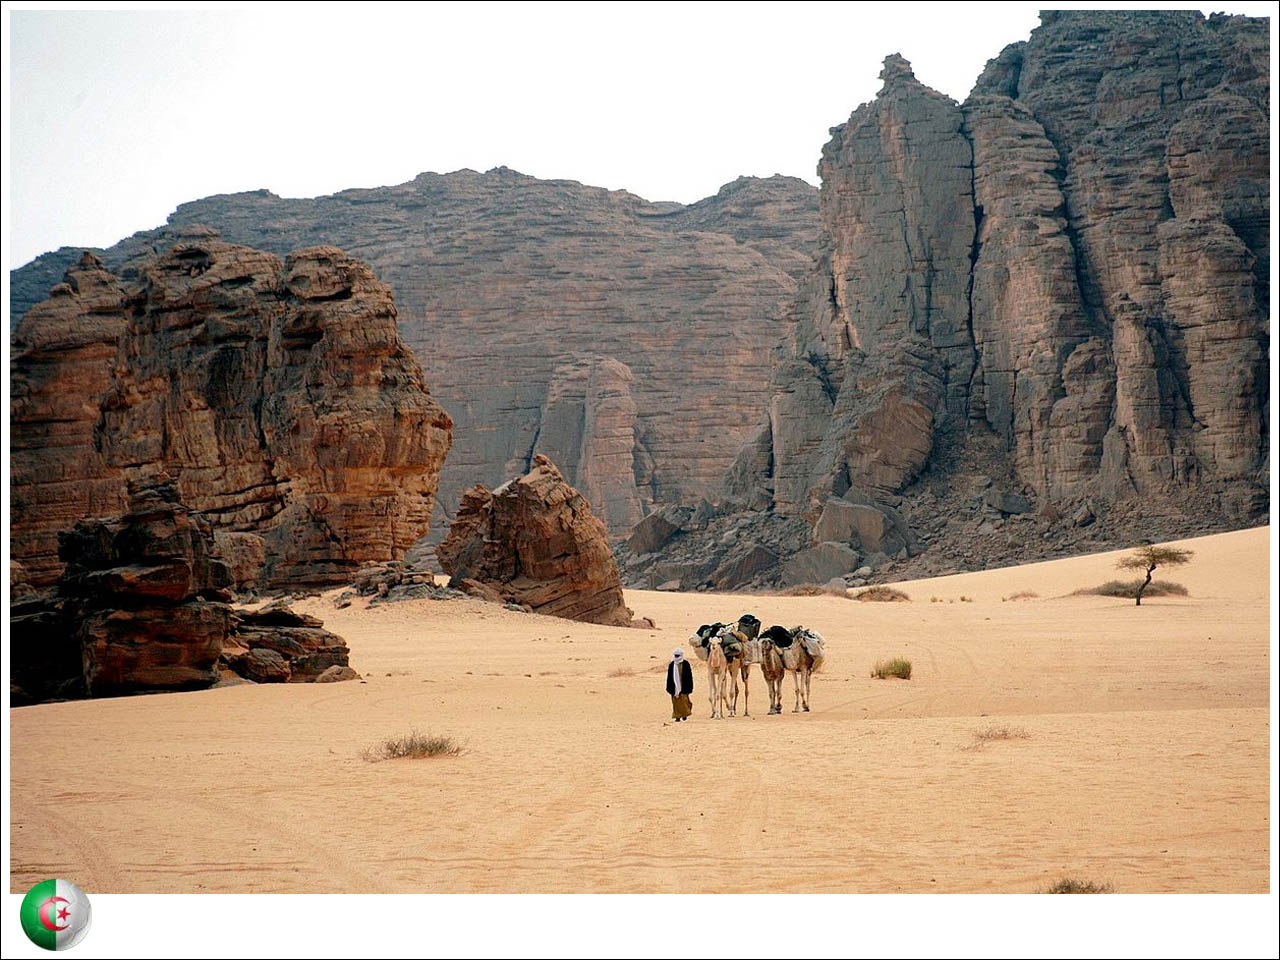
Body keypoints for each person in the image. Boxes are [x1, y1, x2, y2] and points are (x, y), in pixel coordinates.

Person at [666, 648, 693, 721]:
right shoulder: (672, 665)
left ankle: (684, 714)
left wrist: (689, 687)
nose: (677, 657)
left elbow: (689, 676)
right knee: (676, 703)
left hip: (684, 686)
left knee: (685, 701)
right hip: (674, 688)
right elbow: (669, 677)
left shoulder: (686, 664)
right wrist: (669, 688)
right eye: (676, 656)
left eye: (678, 656)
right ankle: (677, 716)